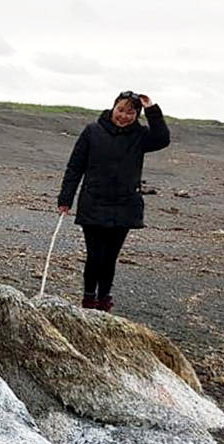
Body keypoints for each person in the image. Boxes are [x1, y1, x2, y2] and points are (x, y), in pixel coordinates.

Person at [56, 91, 170, 312]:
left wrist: (152, 109)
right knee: (95, 256)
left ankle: (104, 299)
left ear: (137, 115)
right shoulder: (92, 131)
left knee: (110, 258)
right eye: (120, 110)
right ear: (112, 108)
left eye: (131, 112)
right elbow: (75, 167)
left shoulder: (140, 136)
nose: (124, 116)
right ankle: (89, 298)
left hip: (125, 205)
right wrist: (65, 199)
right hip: (94, 202)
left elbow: (162, 139)